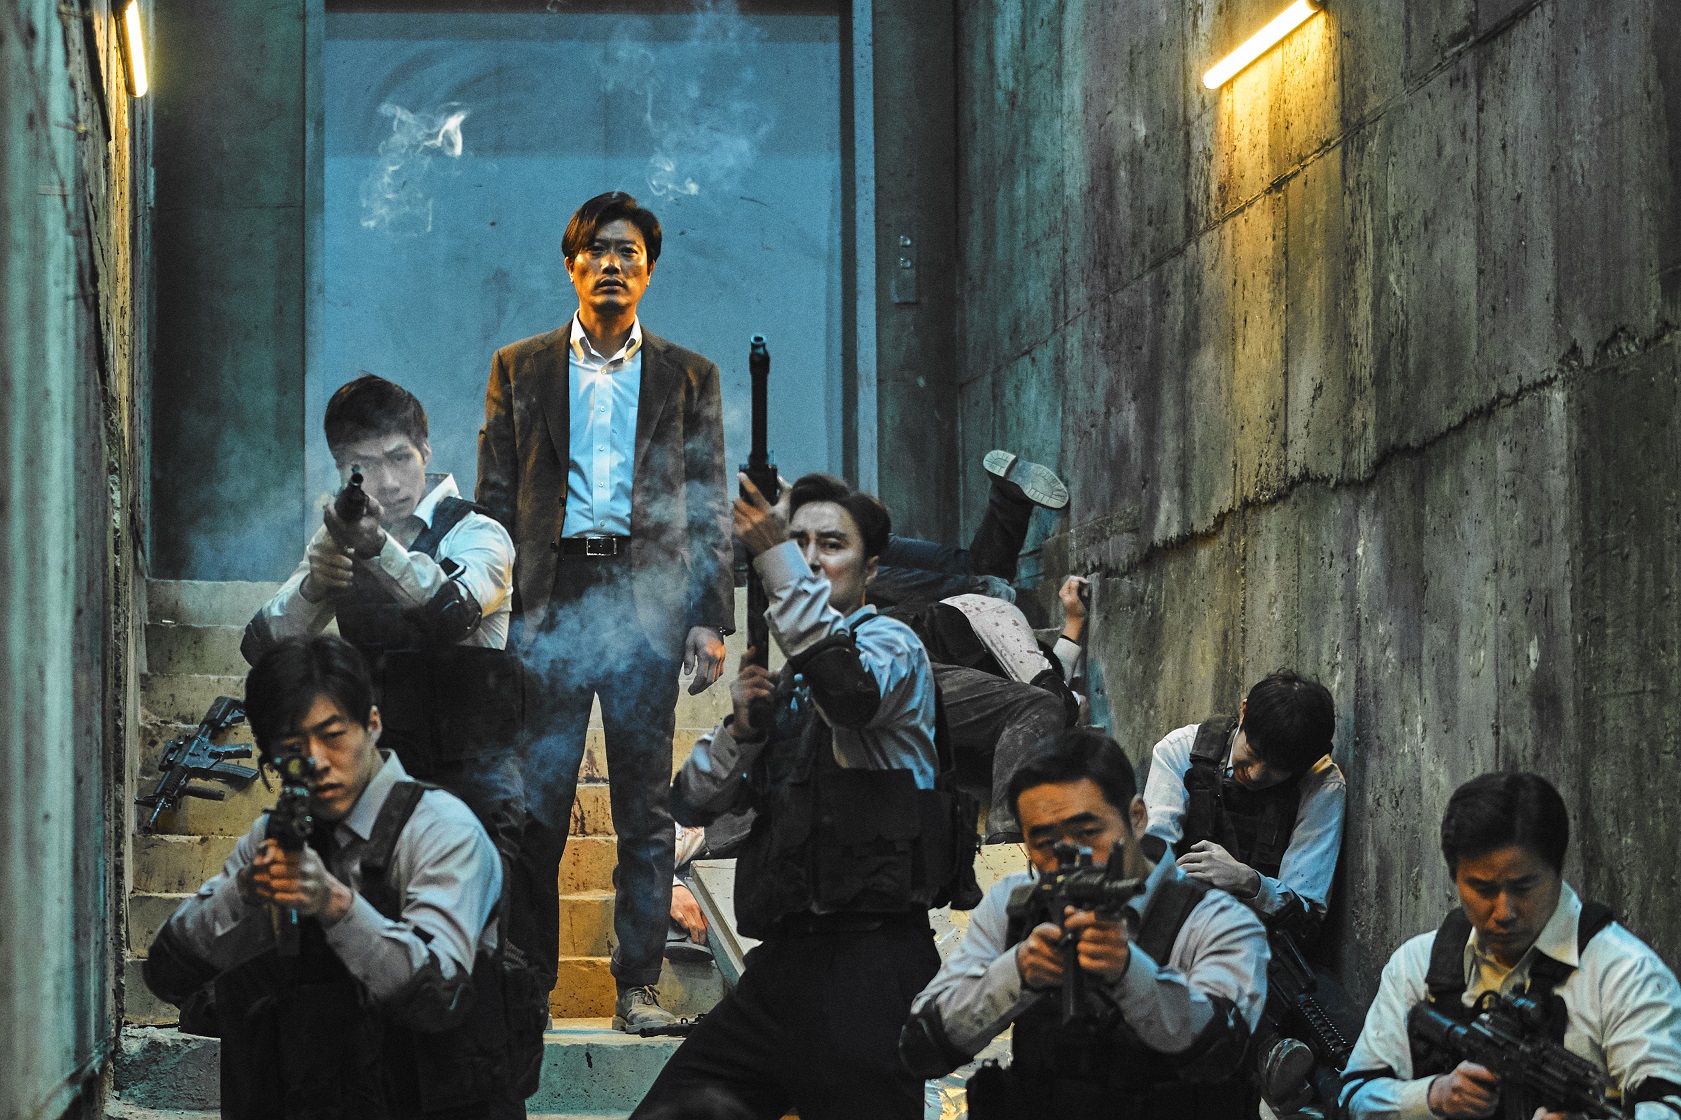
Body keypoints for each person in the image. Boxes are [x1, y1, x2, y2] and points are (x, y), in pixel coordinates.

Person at [630, 472, 972, 1120]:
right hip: (784, 966)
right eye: (798, 543)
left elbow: (850, 693)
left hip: (871, 962)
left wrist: (774, 554)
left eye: (831, 545)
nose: (810, 559)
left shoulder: (892, 647)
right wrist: (742, 730)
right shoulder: (789, 681)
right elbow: (692, 802)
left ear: (869, 568)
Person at [476, 190, 732, 1032]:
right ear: (571, 265)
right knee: (537, 810)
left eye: (630, 253)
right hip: (549, 603)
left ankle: (637, 989)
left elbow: (707, 501)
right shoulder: (520, 367)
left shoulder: (688, 376)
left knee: (644, 812)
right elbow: (494, 497)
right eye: (598, 251)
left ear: (648, 272)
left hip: (642, 603)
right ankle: (529, 991)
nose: (613, 265)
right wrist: (492, 613)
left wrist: (709, 617)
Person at [141, 636, 523, 1119]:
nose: (316, 762)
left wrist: (336, 906)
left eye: (333, 736)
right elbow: (167, 975)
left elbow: (438, 1001)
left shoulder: (442, 830)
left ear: (372, 724)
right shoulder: (272, 839)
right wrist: (245, 895)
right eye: (292, 748)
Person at [900, 727, 1270, 1118]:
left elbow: (1220, 1056)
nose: (1070, 856)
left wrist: (1130, 973)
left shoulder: (1218, 922)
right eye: (1044, 842)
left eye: (1088, 832)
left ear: (1137, 817)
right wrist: (1016, 974)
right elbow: (921, 1047)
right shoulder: (1014, 905)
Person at [241, 375, 522, 847]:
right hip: (376, 779)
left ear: (425, 451)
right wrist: (314, 586)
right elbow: (260, 647)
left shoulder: (478, 532)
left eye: (399, 458)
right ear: (341, 469)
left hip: (473, 781)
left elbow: (451, 615)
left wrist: (375, 547)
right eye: (364, 466)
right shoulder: (340, 537)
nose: (388, 483)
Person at [1341, 771, 1681, 1120]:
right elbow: (1355, 1095)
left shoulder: (1627, 974)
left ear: (1557, 870)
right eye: (1484, 889)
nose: (1504, 912)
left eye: (1523, 887)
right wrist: (1433, 1096)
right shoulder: (1417, 965)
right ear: (1455, 878)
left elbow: (1669, 1105)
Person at [1141, 669, 1346, 937]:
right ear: (1244, 711)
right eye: (1253, 752)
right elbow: (1151, 859)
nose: (1256, 775)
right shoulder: (1182, 751)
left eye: (1278, 768)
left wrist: (1248, 882)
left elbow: (1306, 917)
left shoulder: (1321, 785)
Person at [868, 449, 1069, 608]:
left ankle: (978, 591)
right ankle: (1008, 499)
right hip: (864, 538)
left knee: (865, 580)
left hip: (863, 546)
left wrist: (976, 589)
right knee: (971, 570)